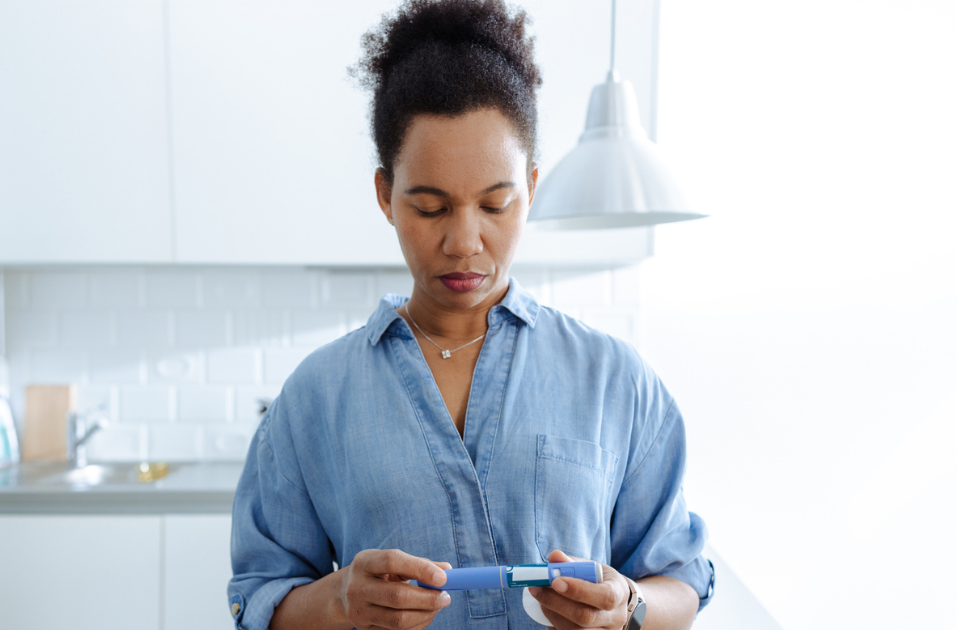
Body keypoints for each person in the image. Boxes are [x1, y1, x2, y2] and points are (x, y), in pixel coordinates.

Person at [228, 1, 714, 628]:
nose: (463, 241)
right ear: (385, 196)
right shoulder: (315, 398)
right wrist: (338, 600)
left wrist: (628, 607)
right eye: (431, 208)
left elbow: (683, 580)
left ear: (532, 189)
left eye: (495, 204)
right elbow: (258, 597)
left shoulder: (614, 379)